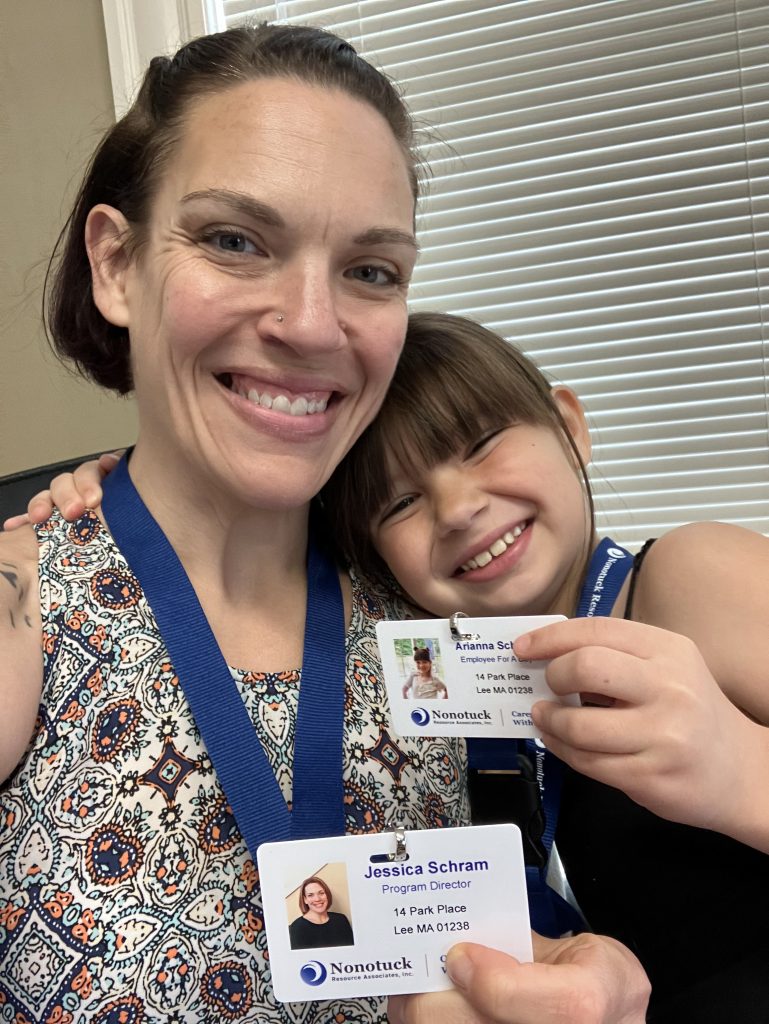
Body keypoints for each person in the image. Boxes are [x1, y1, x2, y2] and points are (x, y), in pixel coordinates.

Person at [0, 25, 650, 1024]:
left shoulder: (434, 607)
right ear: (118, 262)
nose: (311, 324)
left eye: (371, 270)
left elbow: (492, 911)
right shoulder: (21, 604)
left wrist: (562, 974)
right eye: (234, 239)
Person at [288, 875, 354, 950]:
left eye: (321, 893)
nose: (317, 899)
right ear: (305, 899)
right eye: (310, 895)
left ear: (327, 895)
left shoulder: (341, 919)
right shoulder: (297, 927)